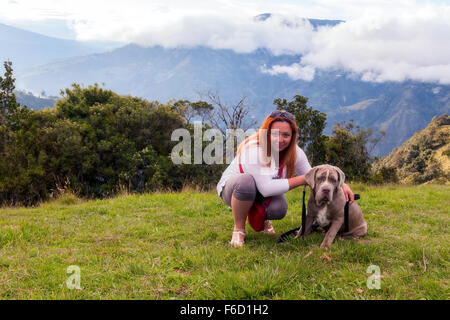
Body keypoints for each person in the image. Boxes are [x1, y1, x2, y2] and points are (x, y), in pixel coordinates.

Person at [216, 110, 355, 247]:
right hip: (234, 191)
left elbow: (313, 175)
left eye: (286, 135)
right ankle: (239, 230)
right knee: (246, 182)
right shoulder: (254, 149)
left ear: (292, 136)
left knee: (279, 207)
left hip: (259, 194)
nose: (280, 139)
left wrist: (343, 185)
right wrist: (303, 179)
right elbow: (266, 189)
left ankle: (262, 219)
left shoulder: (295, 152)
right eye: (275, 134)